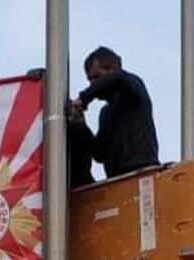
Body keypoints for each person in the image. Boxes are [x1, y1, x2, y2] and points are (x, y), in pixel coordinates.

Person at [68, 46, 159, 181]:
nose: (92, 84)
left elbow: (119, 79)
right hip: (117, 181)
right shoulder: (106, 113)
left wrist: (84, 98)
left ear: (114, 69)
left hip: (142, 173)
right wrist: (79, 125)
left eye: (96, 77)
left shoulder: (133, 89)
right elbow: (99, 153)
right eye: (89, 80)